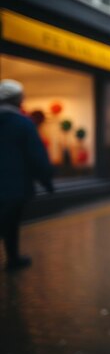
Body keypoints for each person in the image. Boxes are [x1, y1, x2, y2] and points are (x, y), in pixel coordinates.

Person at [0, 79, 54, 271]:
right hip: (15, 186)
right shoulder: (23, 124)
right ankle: (13, 258)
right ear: (18, 100)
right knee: (11, 223)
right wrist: (47, 182)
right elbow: (36, 156)